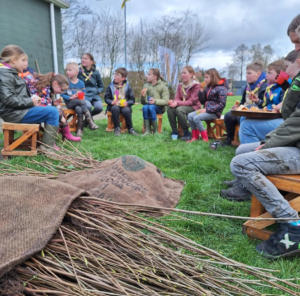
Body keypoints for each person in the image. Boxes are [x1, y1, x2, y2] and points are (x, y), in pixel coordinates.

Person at [0, 45, 59, 150]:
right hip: (13, 113)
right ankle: (47, 148)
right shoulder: (5, 75)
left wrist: (32, 100)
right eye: (23, 60)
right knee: (53, 112)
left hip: (17, 111)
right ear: (13, 60)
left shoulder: (9, 73)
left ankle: (31, 143)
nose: (25, 63)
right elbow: (8, 99)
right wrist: (30, 101)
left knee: (49, 110)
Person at [24, 69, 81, 142]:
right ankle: (59, 134)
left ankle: (63, 134)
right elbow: (42, 103)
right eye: (62, 89)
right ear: (55, 83)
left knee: (59, 112)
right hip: (27, 109)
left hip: (29, 105)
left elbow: (41, 100)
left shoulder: (45, 84)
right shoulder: (45, 87)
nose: (61, 92)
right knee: (57, 113)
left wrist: (52, 102)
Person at [238, 60, 287, 144]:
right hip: (268, 113)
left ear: (279, 75)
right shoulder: (270, 88)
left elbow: (284, 106)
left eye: (269, 73)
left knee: (246, 122)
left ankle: (252, 143)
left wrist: (277, 108)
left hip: (275, 116)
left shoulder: (283, 89)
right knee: (244, 116)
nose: (266, 75)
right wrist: (257, 101)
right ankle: (250, 140)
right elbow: (266, 104)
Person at [223, 61, 268, 146]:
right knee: (229, 115)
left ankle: (247, 140)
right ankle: (229, 139)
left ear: (258, 74)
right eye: (246, 73)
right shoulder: (246, 87)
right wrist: (238, 106)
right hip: (245, 110)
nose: (246, 75)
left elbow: (264, 104)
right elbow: (243, 102)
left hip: (256, 111)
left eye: (249, 73)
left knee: (242, 116)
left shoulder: (265, 86)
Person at [187, 68, 228, 143]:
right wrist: (201, 91)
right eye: (204, 77)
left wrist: (206, 110)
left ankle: (205, 138)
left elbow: (221, 105)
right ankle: (195, 137)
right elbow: (203, 102)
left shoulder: (222, 88)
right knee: (190, 116)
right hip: (206, 111)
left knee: (196, 118)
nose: (205, 79)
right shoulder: (208, 88)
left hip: (215, 113)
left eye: (207, 77)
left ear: (213, 77)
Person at [61, 62, 98, 137]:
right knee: (81, 102)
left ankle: (80, 129)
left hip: (79, 103)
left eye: (70, 70)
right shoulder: (66, 82)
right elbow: (62, 94)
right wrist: (70, 97)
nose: (67, 71)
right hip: (70, 103)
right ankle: (90, 121)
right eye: (67, 70)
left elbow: (83, 94)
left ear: (76, 72)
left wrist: (80, 96)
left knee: (79, 109)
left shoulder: (81, 83)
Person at [167, 66, 201, 141]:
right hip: (183, 105)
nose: (182, 75)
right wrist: (174, 102)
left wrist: (177, 103)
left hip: (194, 107)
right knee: (170, 109)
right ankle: (174, 131)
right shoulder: (180, 85)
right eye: (182, 73)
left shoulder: (197, 85)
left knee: (179, 110)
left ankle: (186, 132)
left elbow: (192, 101)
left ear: (191, 74)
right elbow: (177, 98)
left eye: (184, 73)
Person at [104, 67, 138, 136]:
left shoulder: (127, 86)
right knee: (115, 108)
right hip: (114, 105)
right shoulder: (110, 86)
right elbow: (106, 98)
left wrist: (127, 103)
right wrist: (111, 102)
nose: (115, 76)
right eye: (115, 74)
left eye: (117, 75)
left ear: (123, 78)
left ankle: (130, 129)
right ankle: (117, 128)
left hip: (124, 105)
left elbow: (132, 99)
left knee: (126, 110)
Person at [141, 68, 169, 135]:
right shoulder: (146, 86)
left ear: (155, 77)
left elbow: (166, 101)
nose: (146, 76)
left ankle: (156, 131)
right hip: (148, 106)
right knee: (145, 107)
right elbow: (143, 102)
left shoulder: (163, 86)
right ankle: (147, 131)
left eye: (149, 74)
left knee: (151, 107)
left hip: (159, 108)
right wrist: (143, 97)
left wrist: (155, 101)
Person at [77, 53, 104, 120]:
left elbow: (101, 86)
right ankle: (90, 121)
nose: (83, 60)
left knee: (99, 108)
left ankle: (87, 119)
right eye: (82, 58)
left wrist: (98, 91)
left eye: (85, 58)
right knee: (88, 106)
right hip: (84, 94)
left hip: (94, 95)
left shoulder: (96, 72)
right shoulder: (78, 71)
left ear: (91, 62)